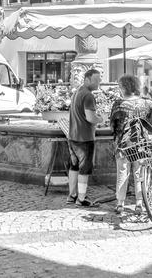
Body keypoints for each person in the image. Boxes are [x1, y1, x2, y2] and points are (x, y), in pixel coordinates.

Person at [110, 74, 152, 215]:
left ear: (123, 88)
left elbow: (112, 125)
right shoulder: (146, 102)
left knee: (122, 173)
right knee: (139, 173)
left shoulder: (118, 104)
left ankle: (120, 204)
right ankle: (139, 203)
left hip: (123, 145)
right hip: (141, 144)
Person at [67, 68, 101, 207]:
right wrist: (101, 119)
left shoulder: (77, 92)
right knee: (84, 169)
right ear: (87, 79)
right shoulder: (88, 95)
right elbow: (90, 118)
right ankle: (81, 199)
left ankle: (72, 195)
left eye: (99, 80)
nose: (98, 83)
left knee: (74, 167)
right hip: (84, 138)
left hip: (73, 136)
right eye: (96, 80)